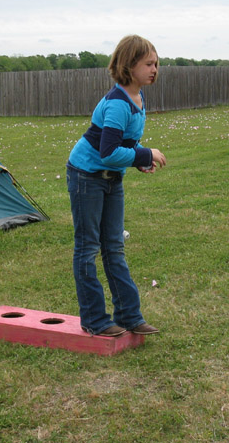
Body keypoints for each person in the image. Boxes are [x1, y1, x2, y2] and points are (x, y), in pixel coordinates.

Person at [66, 35, 167, 337]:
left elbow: (123, 145)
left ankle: (128, 316)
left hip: (111, 178)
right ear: (129, 65)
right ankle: (95, 320)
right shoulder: (118, 104)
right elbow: (107, 152)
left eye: (156, 63)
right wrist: (145, 154)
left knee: (114, 247)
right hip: (86, 176)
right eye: (148, 63)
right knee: (87, 248)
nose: (154, 69)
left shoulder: (137, 98)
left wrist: (137, 159)